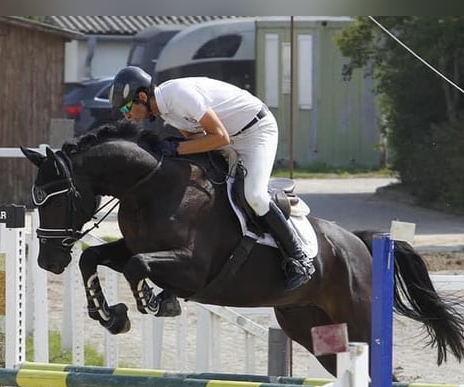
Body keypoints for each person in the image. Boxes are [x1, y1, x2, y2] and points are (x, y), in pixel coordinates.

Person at [109, 65, 314, 291]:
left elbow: (219, 137)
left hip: (256, 132)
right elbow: (198, 140)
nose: (126, 115)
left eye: (127, 107)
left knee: (253, 195)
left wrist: (176, 148)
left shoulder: (178, 95)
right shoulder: (166, 112)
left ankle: (299, 258)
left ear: (142, 96)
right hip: (230, 138)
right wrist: (174, 150)